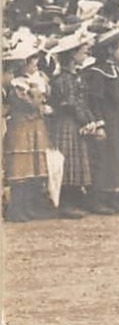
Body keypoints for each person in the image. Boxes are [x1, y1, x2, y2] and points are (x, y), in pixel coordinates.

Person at [84, 25, 119, 213]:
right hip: (107, 119)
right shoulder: (98, 72)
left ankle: (117, 196)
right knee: (105, 157)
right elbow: (95, 100)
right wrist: (99, 123)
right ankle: (100, 198)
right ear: (110, 50)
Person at [4, 35, 60, 221]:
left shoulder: (38, 78)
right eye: (31, 63)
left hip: (36, 125)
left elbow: (46, 97)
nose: (35, 66)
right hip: (21, 126)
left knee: (36, 166)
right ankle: (16, 208)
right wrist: (40, 101)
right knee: (21, 167)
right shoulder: (16, 84)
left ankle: (31, 206)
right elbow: (29, 102)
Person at [46, 31, 97, 216]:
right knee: (68, 160)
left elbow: (81, 101)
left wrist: (89, 120)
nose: (85, 55)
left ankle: (74, 199)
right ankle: (65, 203)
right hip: (66, 122)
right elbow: (70, 103)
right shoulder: (63, 79)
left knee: (77, 159)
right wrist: (85, 120)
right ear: (72, 54)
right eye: (83, 52)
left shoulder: (75, 76)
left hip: (75, 122)